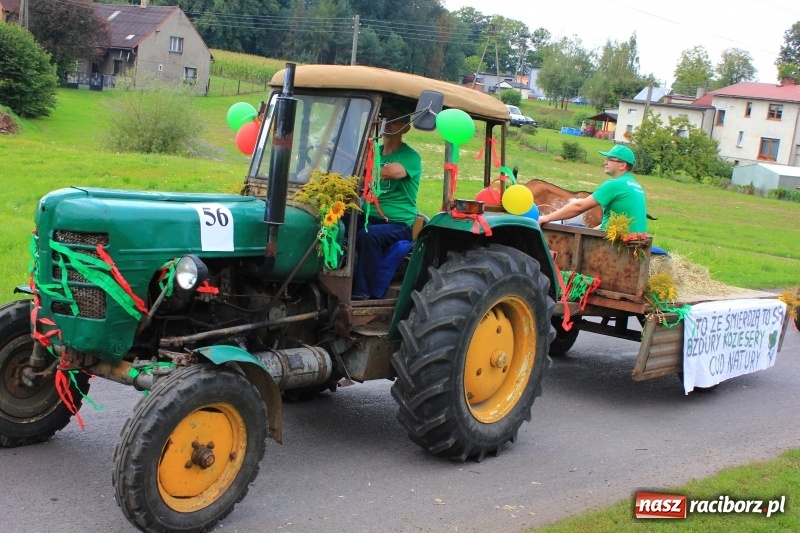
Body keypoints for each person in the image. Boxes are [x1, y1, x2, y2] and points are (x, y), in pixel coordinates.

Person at [352, 102, 422, 300]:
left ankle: (362, 293)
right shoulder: (374, 152)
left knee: (369, 236)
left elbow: (387, 172)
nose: (386, 122)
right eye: (383, 118)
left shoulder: (410, 157)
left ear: (405, 127)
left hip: (396, 223)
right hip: (367, 216)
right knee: (335, 224)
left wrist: (354, 166)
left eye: (392, 119)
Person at [538, 144, 647, 232]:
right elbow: (613, 223)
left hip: (616, 245)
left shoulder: (615, 184)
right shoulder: (636, 186)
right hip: (633, 242)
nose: (605, 162)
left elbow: (579, 206)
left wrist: (547, 218)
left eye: (610, 159)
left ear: (622, 165)